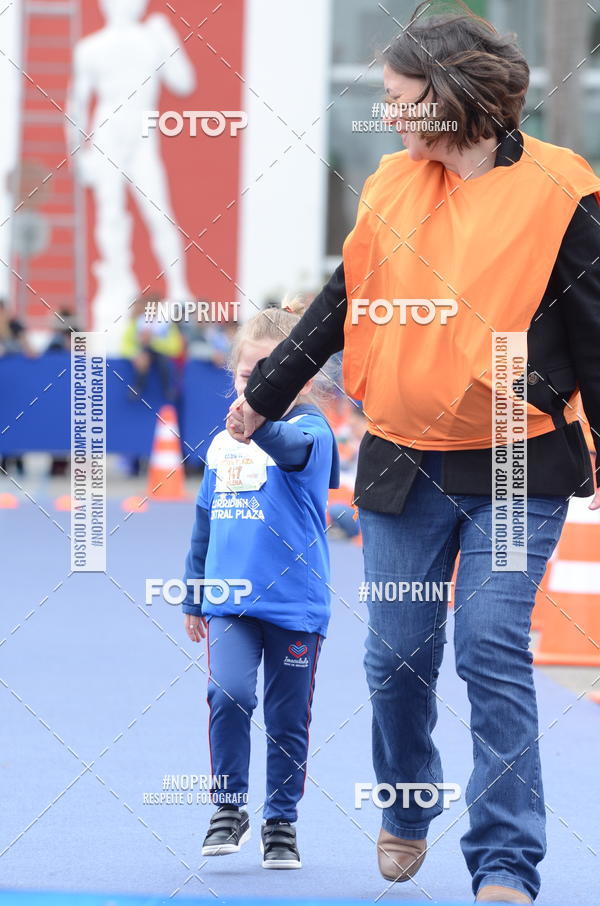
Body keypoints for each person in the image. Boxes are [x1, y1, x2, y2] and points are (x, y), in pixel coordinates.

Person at [227, 2, 600, 903]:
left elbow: (595, 330)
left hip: (517, 462)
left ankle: (505, 862)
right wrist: (264, 395)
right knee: (395, 658)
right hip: (403, 460)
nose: (388, 112)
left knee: (490, 647)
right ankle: (406, 797)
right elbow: (338, 303)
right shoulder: (391, 185)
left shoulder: (561, 188)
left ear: (452, 95)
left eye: (399, 96)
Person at [182, 301, 339, 869]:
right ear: (234, 375)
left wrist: (260, 421)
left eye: (278, 374)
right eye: (252, 376)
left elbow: (290, 449)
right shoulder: (223, 443)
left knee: (286, 717)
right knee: (228, 694)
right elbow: (204, 520)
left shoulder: (310, 430)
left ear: (306, 377)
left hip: (294, 605)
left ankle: (281, 819)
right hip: (229, 602)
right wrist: (194, 593)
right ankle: (229, 806)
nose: (262, 385)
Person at [121, 292, 183, 400]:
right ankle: (137, 387)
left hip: (160, 356)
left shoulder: (166, 325)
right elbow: (125, 345)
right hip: (143, 353)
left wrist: (152, 340)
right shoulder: (137, 323)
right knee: (144, 358)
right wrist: (135, 355)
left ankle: (167, 389)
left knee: (163, 362)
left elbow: (176, 348)